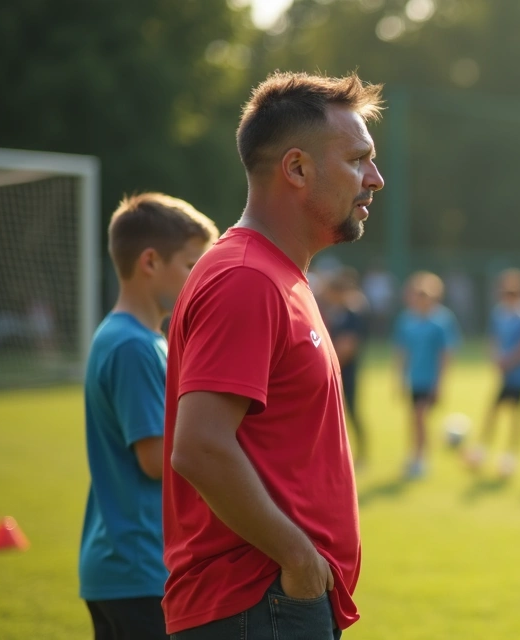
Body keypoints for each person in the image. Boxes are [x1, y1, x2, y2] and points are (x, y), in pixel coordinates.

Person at [163, 71, 384, 638]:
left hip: (272, 600)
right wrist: (300, 561)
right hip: (256, 602)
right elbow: (201, 447)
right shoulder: (246, 278)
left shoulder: (278, 276)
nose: (375, 179)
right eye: (358, 159)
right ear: (297, 168)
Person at [79, 193, 216, 640]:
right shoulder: (133, 346)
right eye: (192, 265)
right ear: (151, 262)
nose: (200, 278)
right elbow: (157, 460)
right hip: (139, 565)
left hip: (123, 563)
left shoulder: (138, 339)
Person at [466, 268, 520, 479]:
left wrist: (510, 360)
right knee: (493, 412)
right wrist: (496, 358)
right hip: (504, 374)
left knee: (516, 416)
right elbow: (493, 339)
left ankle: (510, 458)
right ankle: (480, 452)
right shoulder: (499, 313)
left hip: (519, 375)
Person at [393, 270, 461, 479]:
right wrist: (400, 378)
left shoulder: (442, 320)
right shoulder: (406, 320)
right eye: (417, 294)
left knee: (420, 417)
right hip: (414, 378)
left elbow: (446, 353)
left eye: (425, 294)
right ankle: (415, 454)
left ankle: (422, 459)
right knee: (414, 418)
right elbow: (402, 352)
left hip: (430, 379)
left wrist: (440, 382)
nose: (421, 298)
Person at [322, 267, 371, 465]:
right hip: (331, 372)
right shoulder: (331, 314)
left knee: (351, 411)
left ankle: (362, 454)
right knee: (329, 416)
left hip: (347, 372)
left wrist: (327, 365)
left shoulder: (353, 315)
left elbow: (348, 346)